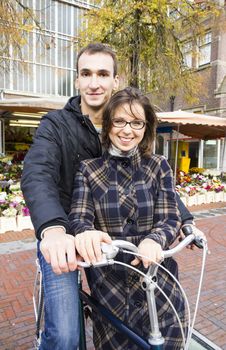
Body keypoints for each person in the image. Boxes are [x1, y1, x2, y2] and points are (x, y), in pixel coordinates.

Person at [69, 87, 187, 349]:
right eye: (120, 121)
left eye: (136, 123)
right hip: (112, 290)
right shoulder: (89, 170)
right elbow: (79, 217)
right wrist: (85, 233)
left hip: (160, 286)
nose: (127, 130)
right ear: (108, 124)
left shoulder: (158, 166)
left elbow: (170, 216)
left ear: (146, 128)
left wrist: (155, 240)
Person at [21, 43, 119, 350]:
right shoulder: (55, 124)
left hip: (105, 237)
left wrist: (182, 218)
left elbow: (150, 173)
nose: (94, 83)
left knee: (126, 319)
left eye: (103, 74)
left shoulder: (123, 126)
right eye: (86, 73)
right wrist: (52, 229)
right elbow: (37, 172)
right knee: (65, 336)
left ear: (115, 81)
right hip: (62, 237)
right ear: (76, 80)